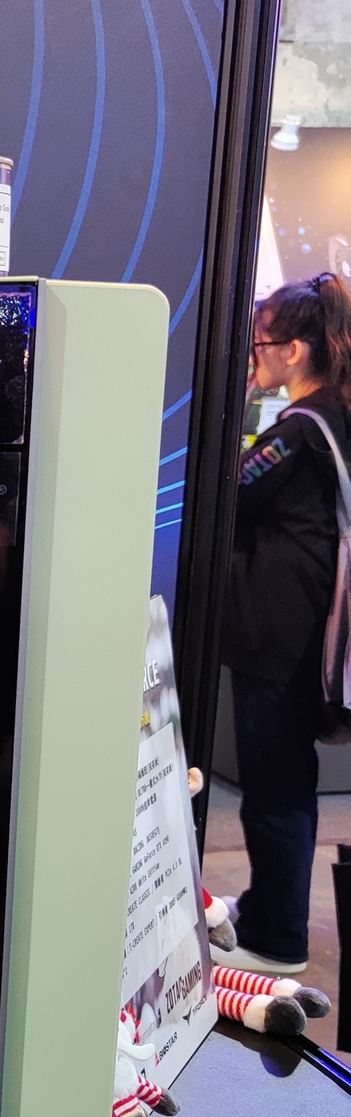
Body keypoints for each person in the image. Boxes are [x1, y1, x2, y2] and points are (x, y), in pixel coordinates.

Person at [221, 271, 351, 974]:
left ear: (294, 351)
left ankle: (277, 940)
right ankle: (267, 910)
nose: (255, 358)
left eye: (260, 346)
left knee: (275, 789)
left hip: (280, 639)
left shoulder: (300, 431)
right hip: (307, 638)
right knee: (286, 782)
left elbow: (228, 492)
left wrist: (237, 400)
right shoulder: (335, 419)